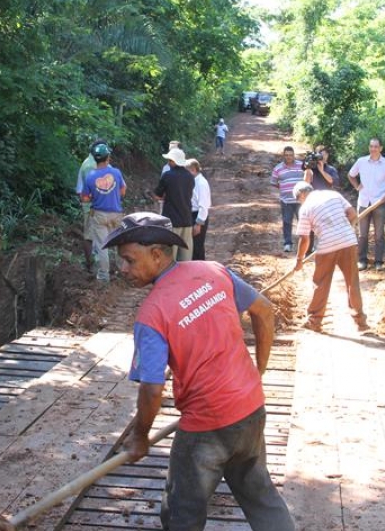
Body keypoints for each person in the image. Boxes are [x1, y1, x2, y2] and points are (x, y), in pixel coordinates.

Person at [104, 212, 295, 531]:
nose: (122, 270)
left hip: (207, 426)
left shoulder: (152, 314)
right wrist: (257, 373)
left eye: (128, 260)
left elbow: (152, 389)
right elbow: (264, 310)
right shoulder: (213, 271)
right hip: (250, 408)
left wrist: (139, 437)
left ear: (156, 254)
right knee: (261, 497)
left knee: (182, 513)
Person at [291, 182, 368, 333]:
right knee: (352, 281)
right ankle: (361, 322)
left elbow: (304, 238)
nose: (300, 202)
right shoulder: (334, 194)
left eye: (298, 199)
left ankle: (314, 320)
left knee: (321, 282)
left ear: (302, 195)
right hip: (348, 241)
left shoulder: (305, 208)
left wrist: (299, 260)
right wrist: (344, 229)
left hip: (327, 246)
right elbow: (353, 214)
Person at [348, 137, 385, 270]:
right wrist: (357, 186)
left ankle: (379, 262)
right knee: (362, 234)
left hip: (379, 203)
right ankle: (362, 260)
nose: (373, 149)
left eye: (376, 146)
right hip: (364, 202)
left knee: (379, 234)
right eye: (371, 146)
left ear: (381, 148)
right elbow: (351, 175)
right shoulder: (361, 161)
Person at [81, 143, 126, 282]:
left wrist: (95, 196)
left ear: (95, 159)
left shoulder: (90, 176)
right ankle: (122, 272)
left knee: (102, 245)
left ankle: (104, 276)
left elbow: (85, 198)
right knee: (118, 243)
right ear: (108, 158)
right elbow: (123, 190)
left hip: (99, 214)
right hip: (116, 213)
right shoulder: (116, 172)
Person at [154, 147, 195, 261]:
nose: (168, 162)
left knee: (171, 256)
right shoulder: (190, 177)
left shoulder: (167, 175)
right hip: (187, 219)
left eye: (170, 160)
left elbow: (158, 195)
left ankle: (171, 278)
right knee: (186, 256)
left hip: (171, 221)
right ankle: (185, 278)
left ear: (174, 161)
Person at [75, 140, 107, 272]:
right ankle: (91, 265)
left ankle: (96, 265)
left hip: (94, 206)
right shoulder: (90, 166)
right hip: (92, 207)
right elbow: (91, 190)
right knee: (89, 236)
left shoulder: (92, 164)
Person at [270, 146, 306, 253]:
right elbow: (273, 182)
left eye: (291, 155)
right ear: (283, 155)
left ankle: (306, 244)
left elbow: (309, 177)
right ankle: (287, 243)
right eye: (286, 155)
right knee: (287, 222)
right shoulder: (278, 168)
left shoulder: (302, 165)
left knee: (304, 222)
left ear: (294, 155)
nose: (289, 157)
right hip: (286, 201)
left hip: (301, 201)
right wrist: (284, 188)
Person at [186, 158, 211, 261]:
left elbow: (204, 205)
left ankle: (200, 273)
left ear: (193, 170)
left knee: (197, 248)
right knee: (192, 248)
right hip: (192, 215)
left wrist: (198, 223)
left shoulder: (201, 183)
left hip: (197, 216)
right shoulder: (194, 181)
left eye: (186, 170)